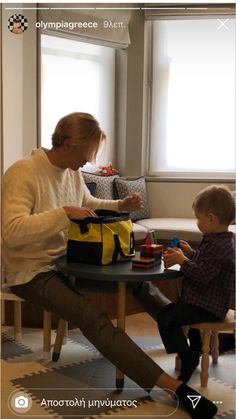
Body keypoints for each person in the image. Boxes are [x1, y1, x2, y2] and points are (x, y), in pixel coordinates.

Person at [2, 112, 217, 419]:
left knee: (140, 283)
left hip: (68, 262)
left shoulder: (71, 172)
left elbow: (87, 203)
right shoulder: (23, 172)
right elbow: (11, 231)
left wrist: (120, 206)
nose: (89, 161)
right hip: (30, 271)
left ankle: (187, 345)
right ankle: (175, 389)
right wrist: (64, 214)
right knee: (93, 318)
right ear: (70, 143)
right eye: (88, 152)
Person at [136, 185, 235, 385]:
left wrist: (182, 261)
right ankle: (196, 348)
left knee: (167, 318)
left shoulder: (219, 245)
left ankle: (187, 355)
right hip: (204, 303)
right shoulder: (218, 240)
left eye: (198, 218)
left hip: (207, 306)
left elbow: (203, 274)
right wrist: (190, 253)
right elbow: (206, 263)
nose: (197, 222)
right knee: (177, 314)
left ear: (211, 218)